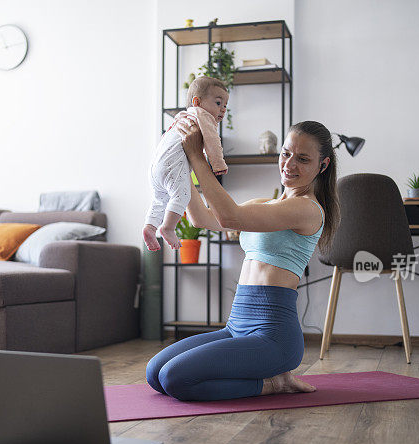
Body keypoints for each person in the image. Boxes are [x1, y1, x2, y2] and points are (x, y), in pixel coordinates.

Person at [145, 120, 340, 401]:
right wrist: (181, 162)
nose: (289, 164)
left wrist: (199, 157)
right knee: (155, 373)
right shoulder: (264, 204)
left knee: (175, 378)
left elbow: (230, 217)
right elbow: (203, 219)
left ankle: (273, 384)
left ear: (322, 165)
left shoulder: (307, 209)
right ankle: (267, 378)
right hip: (237, 326)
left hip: (273, 336)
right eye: (286, 153)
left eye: (303, 159)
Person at [143, 76, 229, 252]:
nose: (223, 110)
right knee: (181, 196)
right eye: (218, 103)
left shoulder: (182, 116)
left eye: (225, 105)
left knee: (160, 199)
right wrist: (218, 163)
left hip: (155, 167)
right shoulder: (203, 116)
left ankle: (150, 227)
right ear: (197, 102)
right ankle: (167, 228)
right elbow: (213, 141)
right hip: (171, 167)